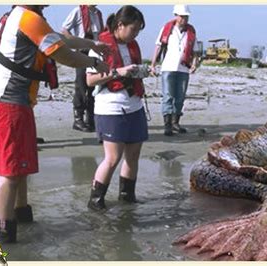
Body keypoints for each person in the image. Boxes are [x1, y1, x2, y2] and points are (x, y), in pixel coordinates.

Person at [0, 5, 109, 243]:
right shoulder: (29, 18)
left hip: (14, 103)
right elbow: (63, 54)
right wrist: (94, 62)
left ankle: (22, 216)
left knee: (19, 167)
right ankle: (3, 237)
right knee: (9, 173)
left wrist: (91, 44)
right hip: (7, 103)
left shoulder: (25, 17)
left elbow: (61, 39)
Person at [85, 5, 147, 210]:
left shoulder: (133, 45)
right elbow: (90, 80)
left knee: (134, 153)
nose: (136, 34)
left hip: (134, 105)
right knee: (112, 157)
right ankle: (96, 200)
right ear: (120, 25)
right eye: (134, 29)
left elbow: (131, 70)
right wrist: (118, 72)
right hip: (110, 106)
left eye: (139, 31)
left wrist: (140, 72)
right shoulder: (101, 45)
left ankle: (127, 196)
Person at [150, 4, 199, 136]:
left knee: (180, 97)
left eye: (186, 17)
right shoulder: (167, 29)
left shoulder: (191, 32)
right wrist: (153, 64)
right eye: (182, 16)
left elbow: (195, 51)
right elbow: (158, 47)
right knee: (168, 96)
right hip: (168, 68)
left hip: (183, 69)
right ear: (176, 16)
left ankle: (175, 122)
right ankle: (167, 125)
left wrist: (194, 64)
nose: (184, 19)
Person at [62, 5, 105, 132]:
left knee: (94, 84)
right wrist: (76, 42)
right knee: (81, 85)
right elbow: (64, 29)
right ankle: (78, 119)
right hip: (82, 52)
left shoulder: (98, 13)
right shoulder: (77, 10)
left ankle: (91, 118)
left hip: (95, 52)